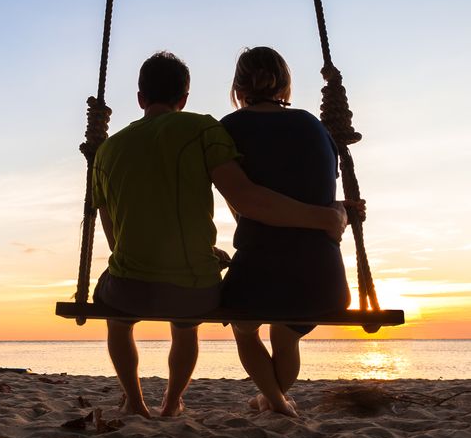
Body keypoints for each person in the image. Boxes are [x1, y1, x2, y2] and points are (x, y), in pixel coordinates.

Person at [92, 51, 346, 418]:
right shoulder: (204, 130)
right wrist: (329, 215)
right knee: (189, 323)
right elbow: (245, 196)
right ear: (184, 99)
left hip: (132, 286)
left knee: (117, 319)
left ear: (140, 99)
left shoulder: (107, 150)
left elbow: (115, 237)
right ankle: (172, 402)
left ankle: (134, 400)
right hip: (200, 292)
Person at [220, 47, 352, 417]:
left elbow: (250, 202)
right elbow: (316, 192)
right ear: (285, 83)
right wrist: (334, 214)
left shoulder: (227, 129)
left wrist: (328, 216)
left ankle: (276, 402)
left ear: (238, 86)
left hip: (258, 274)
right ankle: (273, 399)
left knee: (245, 329)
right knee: (286, 334)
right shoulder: (314, 126)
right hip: (322, 280)